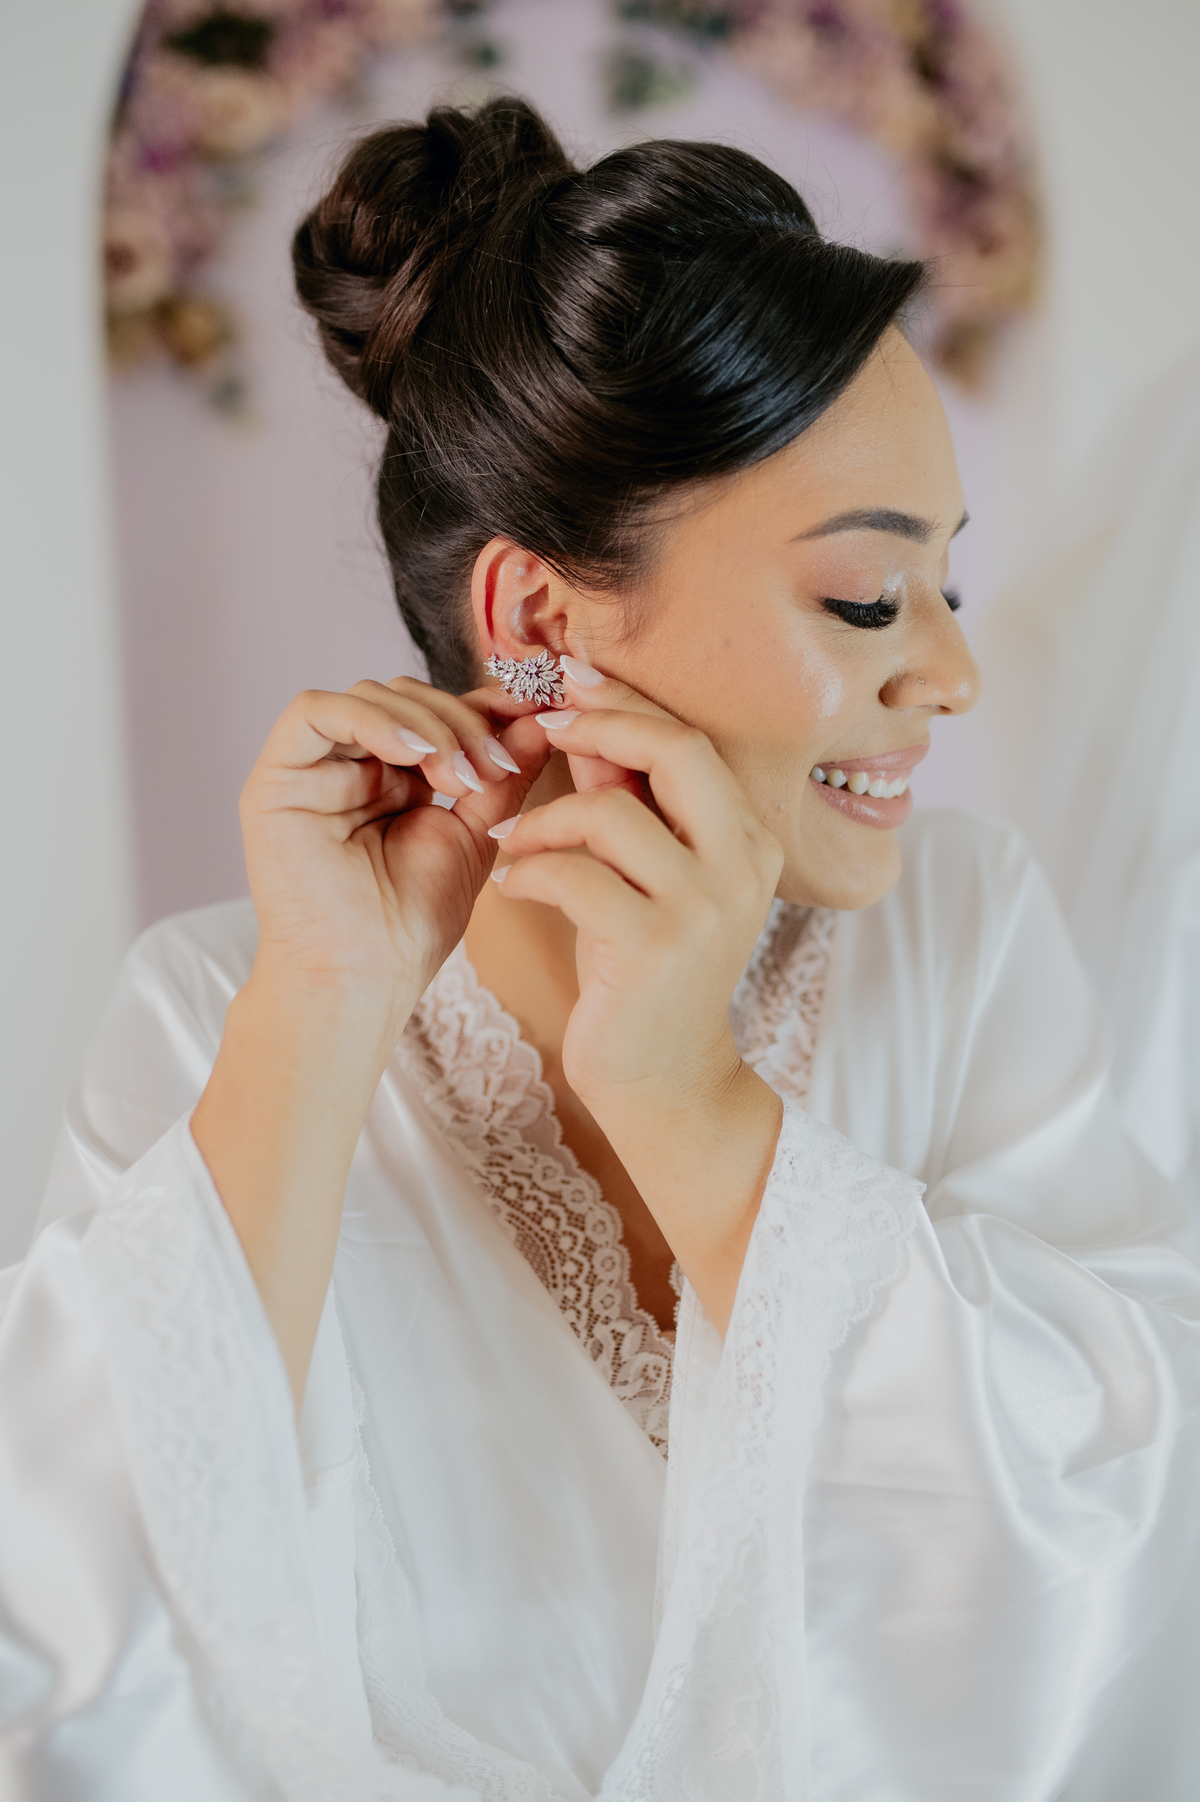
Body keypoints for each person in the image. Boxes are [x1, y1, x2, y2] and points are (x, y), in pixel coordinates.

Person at [2, 98, 1198, 1802]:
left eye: (950, 585)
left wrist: (694, 1104)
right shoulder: (216, 1009)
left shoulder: (961, 934)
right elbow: (73, 1650)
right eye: (868, 597)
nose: (952, 675)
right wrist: (326, 1004)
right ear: (541, 622)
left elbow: (1133, 1540)